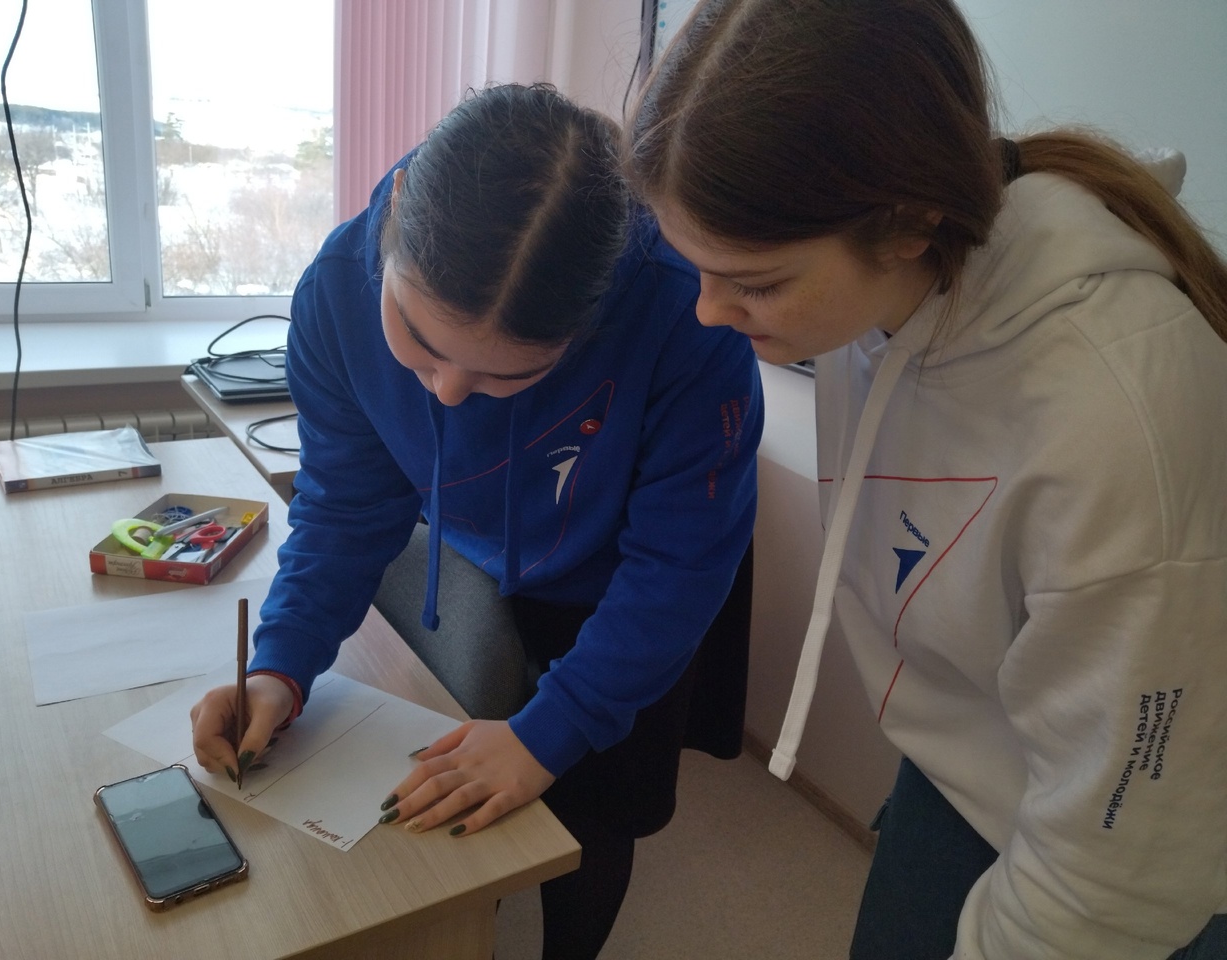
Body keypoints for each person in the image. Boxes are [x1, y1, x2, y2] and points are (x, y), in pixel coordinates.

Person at [624, 1, 1227, 958]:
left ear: (908, 223)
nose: (707, 312)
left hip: (1140, 843)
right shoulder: (879, 302)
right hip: (968, 759)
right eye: (696, 268)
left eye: (756, 282)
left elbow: (1122, 863)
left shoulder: (1121, 420)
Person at [190, 82, 762, 960]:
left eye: (507, 375)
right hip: (485, 550)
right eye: (419, 342)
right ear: (394, 224)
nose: (451, 393)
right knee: (480, 785)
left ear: (590, 321)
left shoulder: (688, 316)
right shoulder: (335, 293)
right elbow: (344, 510)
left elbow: (677, 570)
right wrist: (280, 666)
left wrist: (552, 733)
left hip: (632, 585)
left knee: (600, 809)